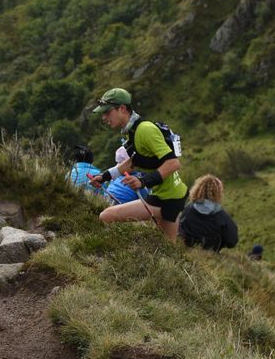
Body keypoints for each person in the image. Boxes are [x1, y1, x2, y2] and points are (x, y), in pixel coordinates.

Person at [90, 87, 187, 241]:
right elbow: (133, 162)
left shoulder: (144, 130)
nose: (104, 117)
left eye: (107, 112)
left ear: (122, 109)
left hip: (167, 197)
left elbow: (173, 163)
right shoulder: (133, 131)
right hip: (173, 194)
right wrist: (104, 177)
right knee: (167, 249)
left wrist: (143, 182)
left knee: (106, 216)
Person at [178, 174, 239, 252]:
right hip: (211, 251)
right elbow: (232, 240)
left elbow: (179, 229)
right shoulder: (221, 215)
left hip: (188, 249)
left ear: (198, 188)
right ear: (218, 192)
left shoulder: (188, 209)